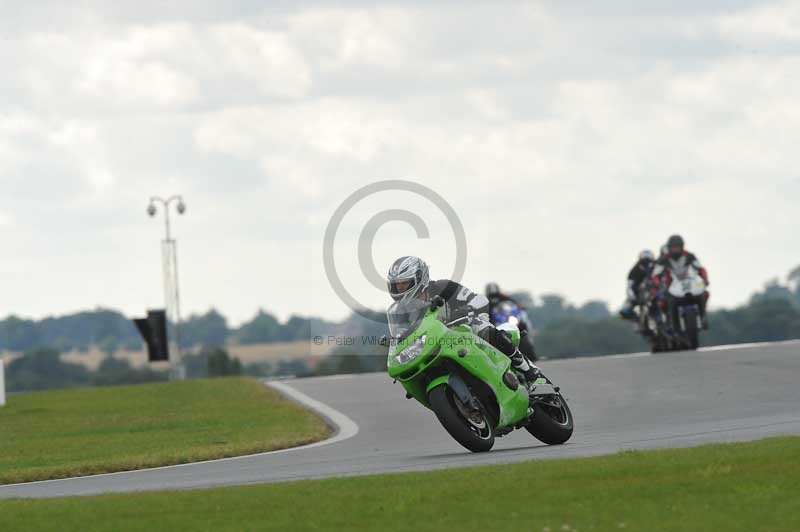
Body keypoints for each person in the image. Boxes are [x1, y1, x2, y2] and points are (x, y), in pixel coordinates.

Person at [386, 256, 541, 383]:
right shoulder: (402, 311)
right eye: (397, 285)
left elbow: (479, 300)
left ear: (419, 277)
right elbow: (402, 332)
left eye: (404, 283)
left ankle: (525, 367)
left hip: (464, 327)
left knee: (482, 328)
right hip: (437, 341)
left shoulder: (443, 287)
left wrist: (467, 310)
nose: (400, 289)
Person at [651, 234, 710, 328]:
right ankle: (672, 324)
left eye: (678, 247)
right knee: (665, 301)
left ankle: (703, 316)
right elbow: (655, 275)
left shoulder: (690, 256)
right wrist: (658, 284)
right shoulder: (663, 259)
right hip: (671, 286)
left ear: (682, 246)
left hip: (690, 283)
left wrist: (705, 279)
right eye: (674, 247)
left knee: (704, 293)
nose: (676, 249)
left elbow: (700, 269)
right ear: (669, 248)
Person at [485, 282, 537, 361]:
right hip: (495, 322)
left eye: (495, 295)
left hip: (507, 320)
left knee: (522, 325)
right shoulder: (485, 302)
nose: (494, 297)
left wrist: (519, 306)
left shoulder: (503, 298)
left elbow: (513, 303)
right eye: (492, 295)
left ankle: (529, 351)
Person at [620, 250, 656, 321]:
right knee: (625, 311)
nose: (646, 264)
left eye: (648, 261)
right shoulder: (634, 270)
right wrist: (632, 296)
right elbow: (629, 285)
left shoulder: (656, 266)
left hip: (655, 291)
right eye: (644, 261)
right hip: (639, 293)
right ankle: (637, 320)